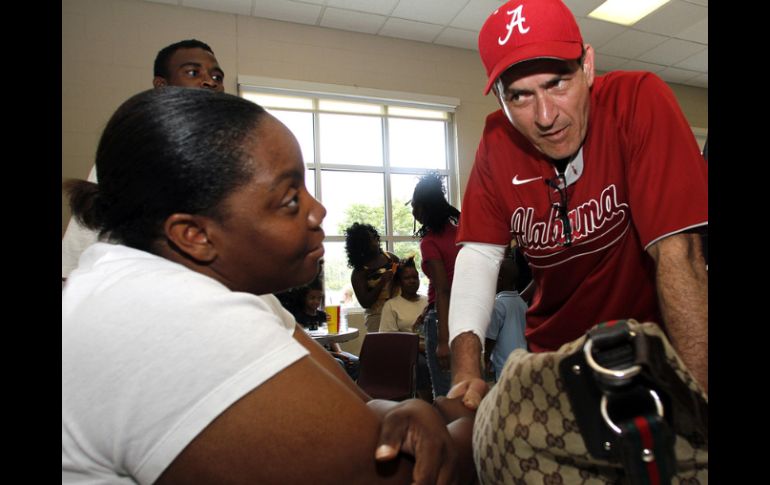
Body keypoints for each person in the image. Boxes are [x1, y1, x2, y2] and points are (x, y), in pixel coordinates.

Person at [62, 87, 477, 484]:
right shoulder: (161, 315)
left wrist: (397, 412)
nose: (318, 210)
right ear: (194, 235)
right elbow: (396, 477)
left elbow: (358, 408)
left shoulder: (233, 291)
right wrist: (485, 420)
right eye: (290, 199)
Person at [447, 0, 708, 410]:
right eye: (520, 96)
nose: (546, 115)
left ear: (587, 66)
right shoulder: (497, 141)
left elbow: (679, 253)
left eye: (557, 83)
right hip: (554, 362)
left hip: (647, 356)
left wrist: (700, 404)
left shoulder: (637, 101)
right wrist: (466, 374)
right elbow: (479, 256)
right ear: (499, 98)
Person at [61, 39, 225, 282]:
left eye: (217, 77)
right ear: (161, 85)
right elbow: (82, 242)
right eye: (193, 72)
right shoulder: (133, 149)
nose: (209, 81)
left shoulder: (228, 152)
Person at [410, 174, 461, 399]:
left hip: (442, 319)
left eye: (415, 206)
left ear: (425, 208)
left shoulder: (430, 241)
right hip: (465, 315)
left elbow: (442, 289)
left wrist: (442, 340)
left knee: (444, 395)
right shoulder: (461, 229)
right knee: (465, 388)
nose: (413, 212)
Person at [379, 258, 431, 400]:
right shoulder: (391, 306)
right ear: (399, 282)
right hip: (408, 351)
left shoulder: (428, 302)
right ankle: (426, 402)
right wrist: (419, 347)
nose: (412, 281)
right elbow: (389, 339)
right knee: (422, 364)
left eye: (415, 277)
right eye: (407, 278)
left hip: (432, 346)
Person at [292, 285, 360, 380]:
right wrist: (336, 355)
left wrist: (339, 351)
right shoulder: (299, 318)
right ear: (304, 298)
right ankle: (336, 386)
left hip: (331, 351)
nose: (316, 301)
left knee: (356, 362)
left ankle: (346, 385)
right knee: (338, 363)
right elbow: (307, 345)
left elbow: (331, 337)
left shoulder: (323, 316)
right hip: (314, 353)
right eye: (312, 298)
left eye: (319, 298)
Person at [344, 223, 400, 333]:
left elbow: (404, 278)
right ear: (362, 245)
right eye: (371, 239)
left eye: (375, 236)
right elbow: (365, 303)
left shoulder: (390, 257)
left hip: (399, 312)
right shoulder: (359, 272)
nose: (376, 240)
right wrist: (382, 282)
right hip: (377, 317)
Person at [483, 248, 527, 382]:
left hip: (505, 367)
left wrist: (485, 359)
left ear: (499, 280)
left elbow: (490, 339)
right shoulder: (522, 303)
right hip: (523, 362)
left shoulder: (497, 305)